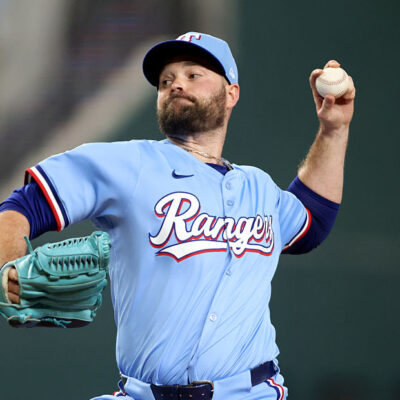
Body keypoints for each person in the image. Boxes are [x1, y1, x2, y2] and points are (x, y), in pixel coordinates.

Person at [0, 32, 355, 400]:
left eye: (193, 74)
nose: (176, 85)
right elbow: (20, 207)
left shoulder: (258, 187)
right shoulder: (128, 163)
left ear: (231, 93)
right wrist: (8, 266)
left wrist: (334, 129)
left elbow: (311, 222)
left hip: (251, 392)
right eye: (166, 80)